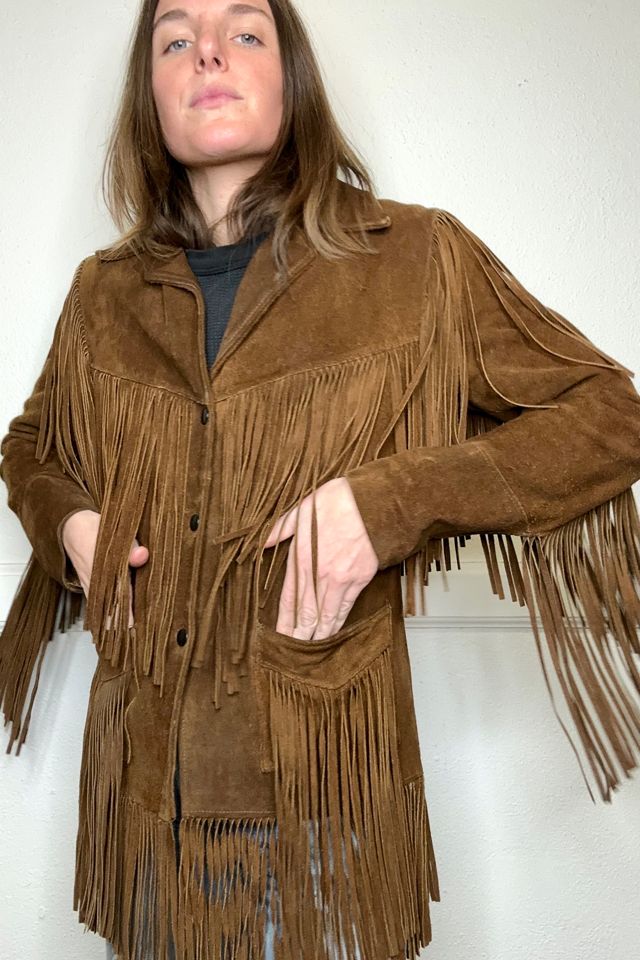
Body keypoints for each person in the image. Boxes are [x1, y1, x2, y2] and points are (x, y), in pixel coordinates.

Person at [1, 1, 640, 958]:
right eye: (174, 39)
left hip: (320, 812)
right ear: (150, 96)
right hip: (143, 802)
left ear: (294, 78)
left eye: (244, 31)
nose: (207, 49)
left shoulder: (413, 257)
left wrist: (387, 505)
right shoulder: (105, 291)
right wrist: (75, 530)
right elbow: (32, 447)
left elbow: (609, 414)